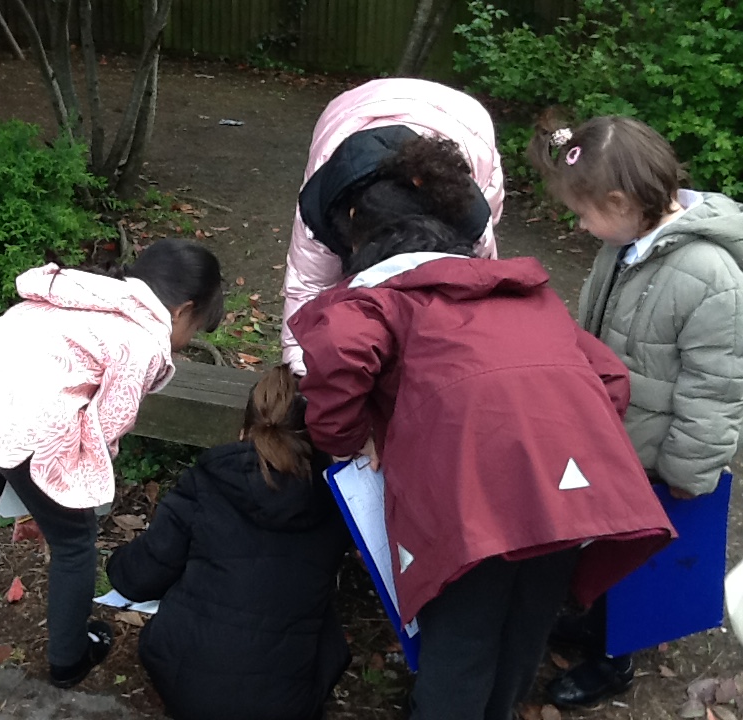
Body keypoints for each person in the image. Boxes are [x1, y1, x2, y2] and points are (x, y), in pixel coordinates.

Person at [287, 137, 677, 720]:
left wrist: (346, 439)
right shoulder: (527, 295)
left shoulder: (380, 301)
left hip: (473, 503)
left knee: (461, 641)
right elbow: (611, 379)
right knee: (526, 626)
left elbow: (340, 355)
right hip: (570, 497)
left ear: (355, 233)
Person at [0, 238, 224, 712]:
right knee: (74, 541)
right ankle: (69, 657)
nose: (187, 339)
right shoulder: (143, 340)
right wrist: (76, 481)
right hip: (28, 427)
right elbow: (109, 424)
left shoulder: (77, 291)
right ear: (184, 309)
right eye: (196, 326)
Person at [527, 115, 743, 707]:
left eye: (584, 212)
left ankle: (614, 659)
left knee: (635, 560)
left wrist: (687, 474)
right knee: (598, 544)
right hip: (612, 434)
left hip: (657, 454)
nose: (579, 224)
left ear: (620, 202)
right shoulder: (623, 245)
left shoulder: (711, 276)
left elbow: (717, 388)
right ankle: (590, 619)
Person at [107, 365, 351, 720]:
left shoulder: (207, 483)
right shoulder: (335, 499)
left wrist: (116, 562)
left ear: (243, 430)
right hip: (288, 701)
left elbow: (138, 578)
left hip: (189, 688)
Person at [281, 77, 505, 375]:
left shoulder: (471, 216)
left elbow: (479, 291)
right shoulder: (319, 211)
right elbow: (306, 291)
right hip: (353, 109)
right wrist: (303, 377)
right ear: (348, 221)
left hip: (468, 126)